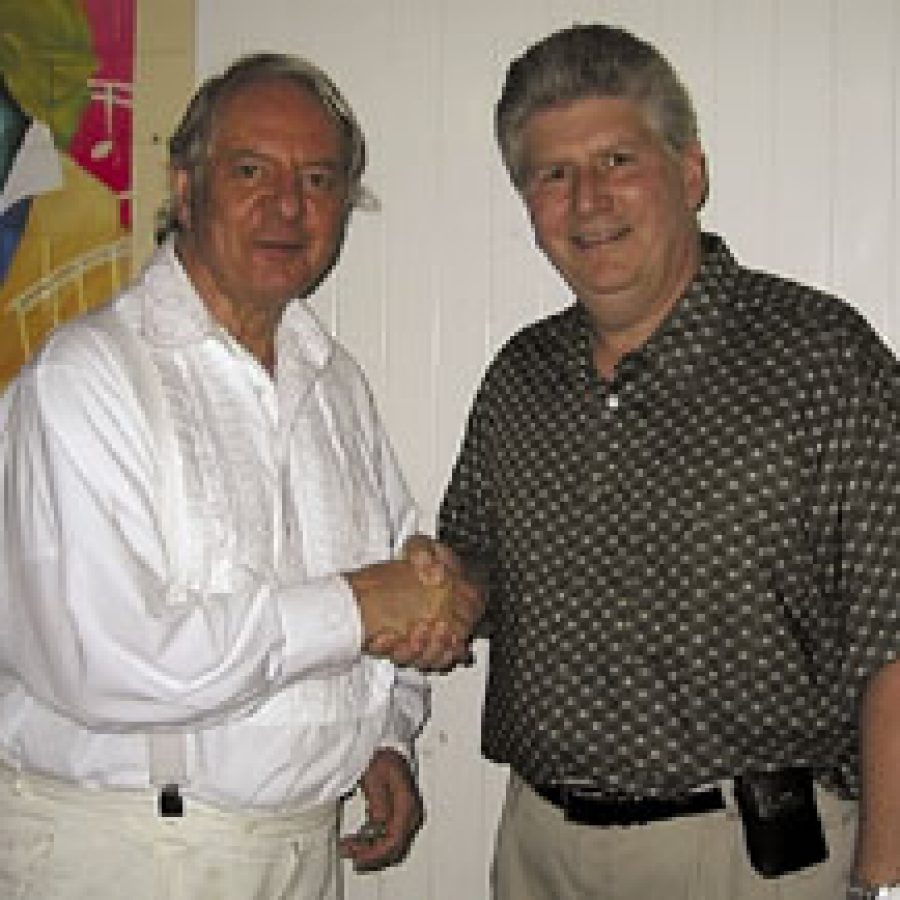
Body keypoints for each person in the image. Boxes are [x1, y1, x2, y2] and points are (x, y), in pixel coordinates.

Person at [0, 52, 481, 900]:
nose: (288, 206)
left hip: (303, 851)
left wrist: (386, 735)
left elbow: (403, 576)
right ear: (187, 189)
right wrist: (363, 605)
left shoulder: (333, 382)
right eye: (252, 170)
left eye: (320, 179)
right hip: (125, 855)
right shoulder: (88, 379)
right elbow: (106, 660)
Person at [438, 22, 899, 900]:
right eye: (552, 174)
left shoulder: (821, 358)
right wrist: (447, 583)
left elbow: (896, 638)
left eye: (617, 160)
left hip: (756, 863)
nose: (587, 201)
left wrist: (885, 884)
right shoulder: (519, 377)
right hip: (537, 853)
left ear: (689, 173)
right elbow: (476, 563)